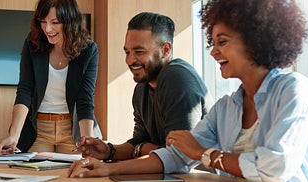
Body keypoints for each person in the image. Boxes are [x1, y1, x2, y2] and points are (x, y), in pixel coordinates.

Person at [69, 0, 308, 182]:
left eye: (222, 42)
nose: (213, 51)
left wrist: (204, 154)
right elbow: (177, 156)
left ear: (256, 40)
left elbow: (274, 169)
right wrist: (107, 167)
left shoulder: (295, 91)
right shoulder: (226, 108)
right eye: (214, 42)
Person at [75, 12, 211, 162]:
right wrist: (108, 151)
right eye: (127, 52)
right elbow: (138, 142)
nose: (130, 60)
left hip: (196, 179)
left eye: (139, 52)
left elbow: (179, 156)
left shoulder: (177, 76)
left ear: (165, 50)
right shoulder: (142, 88)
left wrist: (140, 149)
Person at [0, 0, 101, 154]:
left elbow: (85, 99)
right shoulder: (33, 43)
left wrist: (87, 140)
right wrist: (14, 135)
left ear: (70, 22)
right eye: (43, 22)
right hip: (38, 130)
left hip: (72, 129)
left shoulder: (88, 50)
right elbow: (25, 89)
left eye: (55, 22)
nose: (47, 29)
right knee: (33, 174)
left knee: (78, 176)